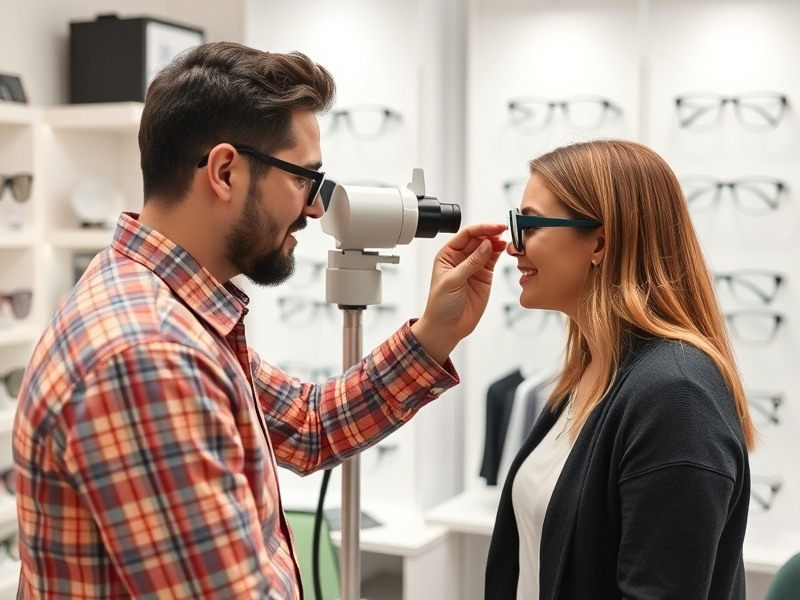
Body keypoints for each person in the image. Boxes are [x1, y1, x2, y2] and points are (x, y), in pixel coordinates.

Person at [13, 42, 507, 599]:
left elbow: (306, 424)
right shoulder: (148, 354)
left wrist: (434, 335)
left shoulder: (169, 311)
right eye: (305, 179)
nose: (316, 209)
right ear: (225, 171)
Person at [486, 139, 755, 600]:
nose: (514, 246)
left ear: (601, 242)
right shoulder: (591, 372)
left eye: (528, 224)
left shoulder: (677, 397)